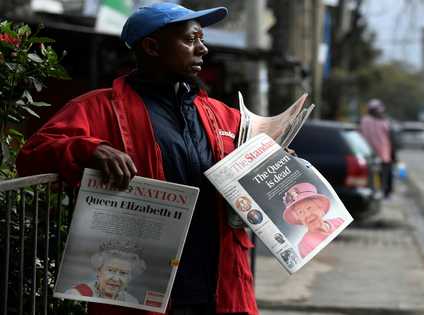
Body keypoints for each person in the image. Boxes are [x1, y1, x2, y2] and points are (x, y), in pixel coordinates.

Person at [16, 2, 258, 315]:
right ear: (152, 47)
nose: (203, 49)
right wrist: (88, 149)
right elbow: (33, 155)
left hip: (220, 287)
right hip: (140, 290)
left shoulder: (225, 117)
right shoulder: (97, 108)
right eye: (190, 40)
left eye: (202, 39)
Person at [66, 239, 146, 303]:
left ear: (129, 277)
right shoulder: (77, 294)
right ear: (98, 270)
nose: (116, 279)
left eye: (123, 273)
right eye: (111, 270)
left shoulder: (131, 301)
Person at [282, 183, 344, 258]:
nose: (307, 215)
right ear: (299, 219)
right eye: (300, 212)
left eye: (309, 208)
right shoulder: (304, 245)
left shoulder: (339, 221)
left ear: (320, 207)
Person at [359, 99, 395, 199]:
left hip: (368, 154)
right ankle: (385, 193)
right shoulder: (384, 122)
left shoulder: (364, 120)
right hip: (383, 154)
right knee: (384, 176)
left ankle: (376, 193)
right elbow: (391, 138)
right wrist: (393, 154)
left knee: (371, 176)